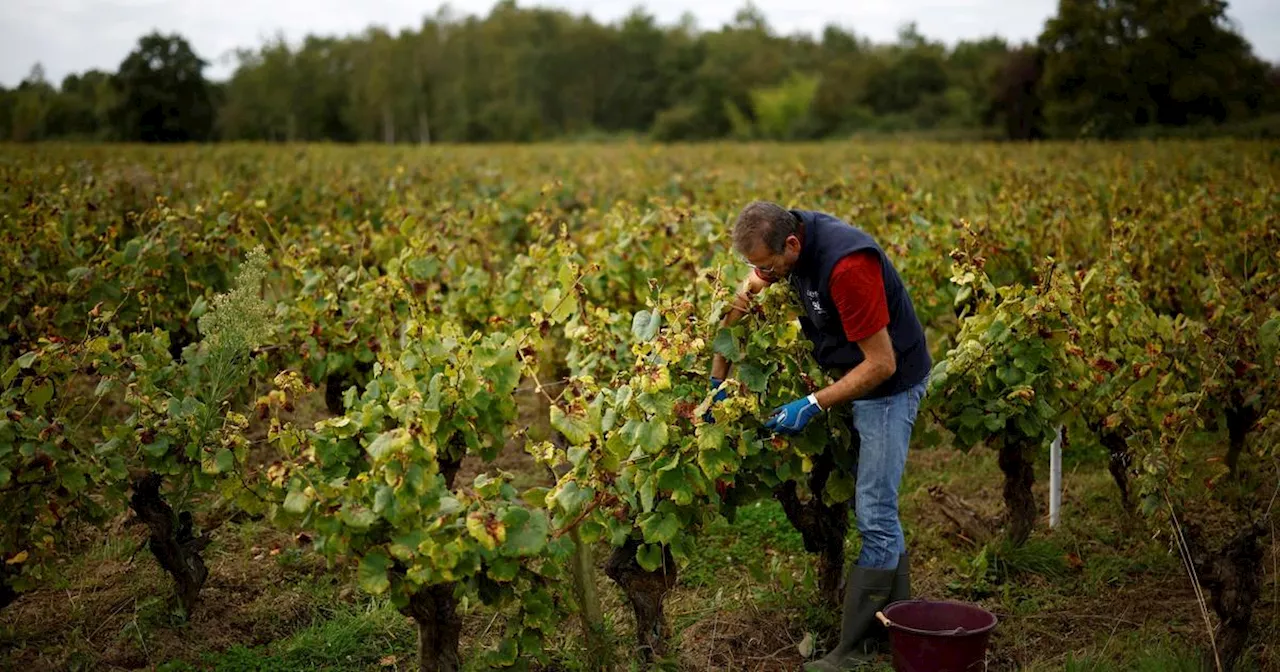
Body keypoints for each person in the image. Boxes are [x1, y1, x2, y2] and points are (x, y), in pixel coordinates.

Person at [709, 201, 930, 670]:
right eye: (756, 266)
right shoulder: (785, 241)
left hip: (889, 386)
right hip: (851, 369)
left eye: (768, 266)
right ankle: (896, 628)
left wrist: (812, 403)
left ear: (792, 244)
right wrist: (717, 379)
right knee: (876, 509)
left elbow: (881, 364)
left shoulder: (847, 268)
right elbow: (744, 296)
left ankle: (857, 650)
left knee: (874, 511)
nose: (761, 275)